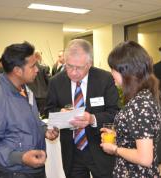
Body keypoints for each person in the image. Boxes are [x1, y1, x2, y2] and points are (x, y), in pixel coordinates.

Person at [0, 41, 59, 178]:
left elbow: (31, 120)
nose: (37, 70)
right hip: (15, 172)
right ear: (17, 70)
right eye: (33, 66)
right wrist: (21, 157)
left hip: (35, 168)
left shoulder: (25, 89)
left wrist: (45, 130)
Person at [46, 39, 119, 178]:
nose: (73, 72)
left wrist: (92, 119)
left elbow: (114, 112)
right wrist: (59, 112)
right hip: (72, 151)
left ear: (89, 64)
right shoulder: (56, 82)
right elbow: (48, 110)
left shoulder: (104, 79)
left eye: (78, 67)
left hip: (100, 149)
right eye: (69, 66)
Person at [100, 41, 161, 178]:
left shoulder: (140, 104)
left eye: (113, 69)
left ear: (126, 71)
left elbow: (144, 158)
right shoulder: (143, 97)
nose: (111, 74)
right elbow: (140, 136)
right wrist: (119, 135)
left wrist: (114, 149)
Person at [28, 52, 50, 117]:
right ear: (39, 57)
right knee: (43, 116)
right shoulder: (44, 68)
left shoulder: (27, 68)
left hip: (31, 96)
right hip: (43, 96)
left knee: (34, 116)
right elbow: (49, 82)